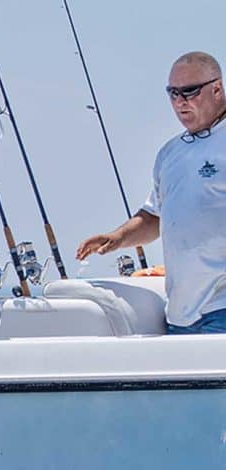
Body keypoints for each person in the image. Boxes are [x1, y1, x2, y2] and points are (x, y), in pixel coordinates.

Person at [77, 51, 226, 334]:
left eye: (189, 92)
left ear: (217, 88)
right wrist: (117, 237)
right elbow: (153, 217)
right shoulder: (170, 153)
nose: (180, 102)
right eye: (172, 93)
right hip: (181, 316)